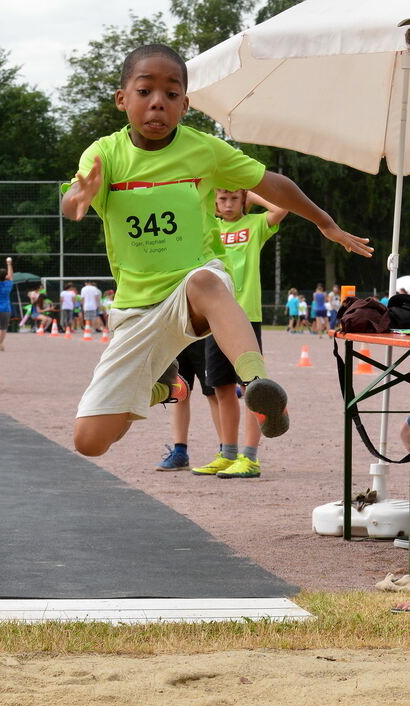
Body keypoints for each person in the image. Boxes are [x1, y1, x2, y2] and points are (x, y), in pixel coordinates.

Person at [61, 43, 372, 459]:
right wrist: (78, 199)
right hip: (136, 309)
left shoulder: (203, 149)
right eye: (144, 92)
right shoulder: (104, 155)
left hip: (194, 287)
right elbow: (73, 199)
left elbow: (271, 183)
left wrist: (324, 221)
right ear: (122, 99)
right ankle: (166, 386)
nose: (158, 103)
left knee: (205, 280)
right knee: (91, 442)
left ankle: (259, 387)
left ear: (185, 104)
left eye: (171, 95)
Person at [192, 189, 287, 479]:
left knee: (252, 388)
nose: (228, 204)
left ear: (243, 200)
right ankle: (227, 453)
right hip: (214, 317)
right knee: (220, 387)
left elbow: (282, 207)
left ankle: (250, 457)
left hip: (246, 316)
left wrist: (253, 195)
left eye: (234, 198)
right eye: (222, 199)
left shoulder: (254, 225)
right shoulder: (209, 228)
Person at [155, 340, 221, 470]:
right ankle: (180, 453)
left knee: (214, 394)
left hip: (204, 335)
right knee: (179, 394)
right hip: (178, 336)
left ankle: (226, 452)